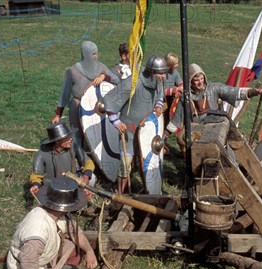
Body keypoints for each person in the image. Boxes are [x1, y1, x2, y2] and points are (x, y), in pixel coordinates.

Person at [6, 177, 98, 269]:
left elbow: (75, 232)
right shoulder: (38, 230)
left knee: (77, 248)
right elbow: (27, 260)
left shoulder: (58, 214)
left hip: (44, 256)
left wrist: (89, 251)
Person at [166, 63, 262, 157]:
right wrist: (163, 138)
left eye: (202, 79)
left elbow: (234, 92)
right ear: (190, 81)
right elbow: (176, 120)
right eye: (196, 80)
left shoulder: (214, 88)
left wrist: (257, 91)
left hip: (215, 129)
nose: (200, 82)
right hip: (196, 133)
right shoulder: (186, 96)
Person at [102, 55, 167, 194]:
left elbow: (159, 96)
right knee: (125, 164)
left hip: (147, 133)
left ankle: (149, 191)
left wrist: (159, 105)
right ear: (151, 72)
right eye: (160, 73)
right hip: (129, 131)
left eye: (164, 73)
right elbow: (109, 101)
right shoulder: (133, 82)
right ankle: (120, 192)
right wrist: (116, 121)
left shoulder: (158, 83)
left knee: (146, 162)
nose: (163, 76)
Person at [52, 41, 119, 147]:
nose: (96, 56)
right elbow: (64, 93)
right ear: (86, 54)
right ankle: (79, 158)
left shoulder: (101, 67)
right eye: (93, 54)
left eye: (96, 53)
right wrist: (58, 114)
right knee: (76, 135)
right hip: (78, 105)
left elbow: (117, 80)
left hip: (97, 106)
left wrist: (104, 77)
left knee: (98, 135)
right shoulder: (72, 71)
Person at [29, 121, 96, 196]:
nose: (70, 139)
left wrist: (86, 176)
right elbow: (36, 176)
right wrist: (36, 185)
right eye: (66, 138)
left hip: (73, 180)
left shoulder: (74, 146)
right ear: (57, 141)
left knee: (92, 177)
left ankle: (84, 199)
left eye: (70, 136)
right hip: (52, 186)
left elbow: (88, 163)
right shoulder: (41, 154)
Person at [162, 52, 183, 126]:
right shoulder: (161, 73)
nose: (177, 65)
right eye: (175, 63)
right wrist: (175, 90)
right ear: (170, 64)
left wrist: (180, 89)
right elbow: (160, 91)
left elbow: (180, 84)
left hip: (170, 100)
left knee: (167, 119)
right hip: (160, 100)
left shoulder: (175, 72)